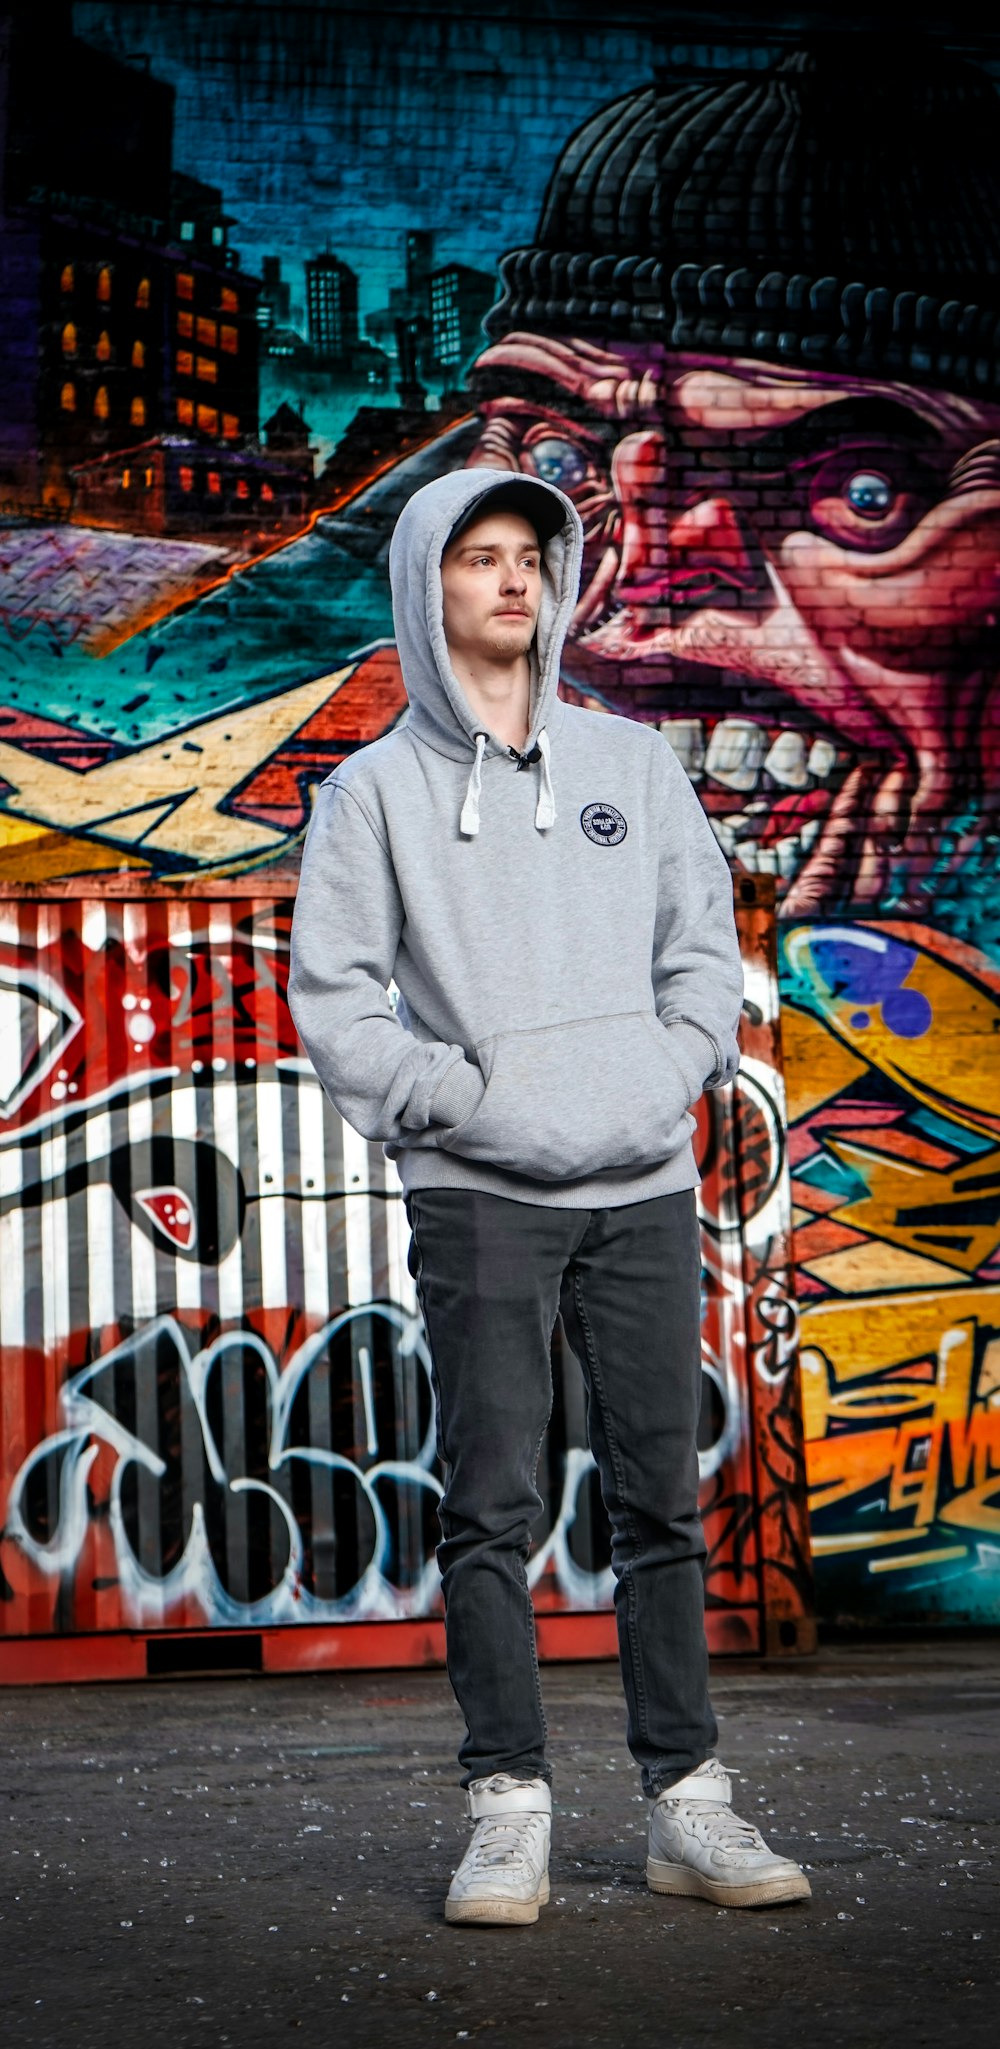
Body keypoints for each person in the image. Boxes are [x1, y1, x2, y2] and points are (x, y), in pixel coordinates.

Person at [288, 464, 811, 1925]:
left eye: (530, 555)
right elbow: (337, 1006)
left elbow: (702, 958)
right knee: (492, 1505)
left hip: (641, 1179)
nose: (512, 580)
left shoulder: (633, 768)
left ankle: (684, 1804)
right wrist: (467, 1101)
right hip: (478, 1191)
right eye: (479, 560)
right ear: (426, 587)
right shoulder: (374, 794)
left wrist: (656, 1083)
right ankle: (507, 1802)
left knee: (660, 1495)